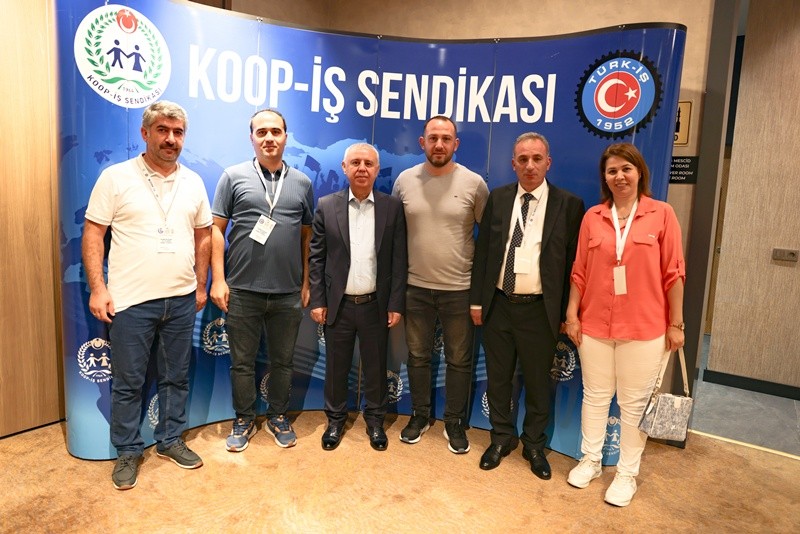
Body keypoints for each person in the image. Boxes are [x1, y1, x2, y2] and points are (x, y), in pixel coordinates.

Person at [82, 100, 212, 490]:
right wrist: (98, 288)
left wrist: (200, 285)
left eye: (178, 132)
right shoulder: (116, 177)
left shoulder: (194, 182)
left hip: (182, 299)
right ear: (145, 133)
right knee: (128, 382)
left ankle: (170, 439)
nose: (171, 139)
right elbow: (93, 234)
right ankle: (127, 450)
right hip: (131, 302)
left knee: (176, 377)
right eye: (163, 130)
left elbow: (204, 236)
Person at [564, 142, 685, 507]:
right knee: (595, 396)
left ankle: (627, 474)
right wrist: (572, 314)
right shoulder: (593, 217)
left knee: (633, 406)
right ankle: (591, 460)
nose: (619, 176)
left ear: (639, 173)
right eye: (612, 170)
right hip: (595, 325)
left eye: (626, 169)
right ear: (605, 177)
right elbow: (580, 271)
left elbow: (674, 272)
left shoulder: (662, 214)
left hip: (645, 328)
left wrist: (676, 323)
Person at [470, 132, 584, 479]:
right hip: (499, 305)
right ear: (513, 164)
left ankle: (534, 443)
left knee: (537, 383)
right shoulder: (499, 198)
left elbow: (573, 264)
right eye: (523, 159)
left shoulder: (568, 204)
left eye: (537, 159)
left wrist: (567, 312)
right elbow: (484, 252)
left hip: (539, 310)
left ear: (548, 162)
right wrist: (477, 301)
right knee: (498, 380)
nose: (530, 165)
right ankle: (501, 438)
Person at [210, 109, 314, 452]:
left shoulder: (302, 183)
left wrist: (306, 283)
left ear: (285, 136)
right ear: (252, 138)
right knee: (242, 363)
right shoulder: (233, 176)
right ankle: (243, 418)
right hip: (242, 290)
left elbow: (307, 236)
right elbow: (215, 230)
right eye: (262, 132)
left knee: (284, 361)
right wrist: (218, 279)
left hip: (287, 293)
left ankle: (278, 416)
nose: (269, 138)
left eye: (275, 131)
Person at [392, 115, 489, 453]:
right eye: (433, 138)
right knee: (417, 356)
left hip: (459, 289)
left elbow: (488, 241)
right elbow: (395, 235)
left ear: (455, 144)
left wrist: (479, 294)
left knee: (459, 360)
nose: (439, 144)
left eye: (446, 138)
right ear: (422, 142)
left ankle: (454, 421)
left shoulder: (474, 184)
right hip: (415, 288)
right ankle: (419, 416)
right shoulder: (404, 181)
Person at [309, 143, 407, 451]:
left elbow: (399, 259)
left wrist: (395, 303)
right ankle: (335, 420)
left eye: (368, 163)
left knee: (376, 367)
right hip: (338, 305)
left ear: (377, 169)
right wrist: (318, 300)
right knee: (336, 368)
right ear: (344, 167)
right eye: (355, 163)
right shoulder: (327, 206)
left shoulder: (392, 207)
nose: (362, 168)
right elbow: (316, 258)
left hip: (375, 304)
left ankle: (375, 421)